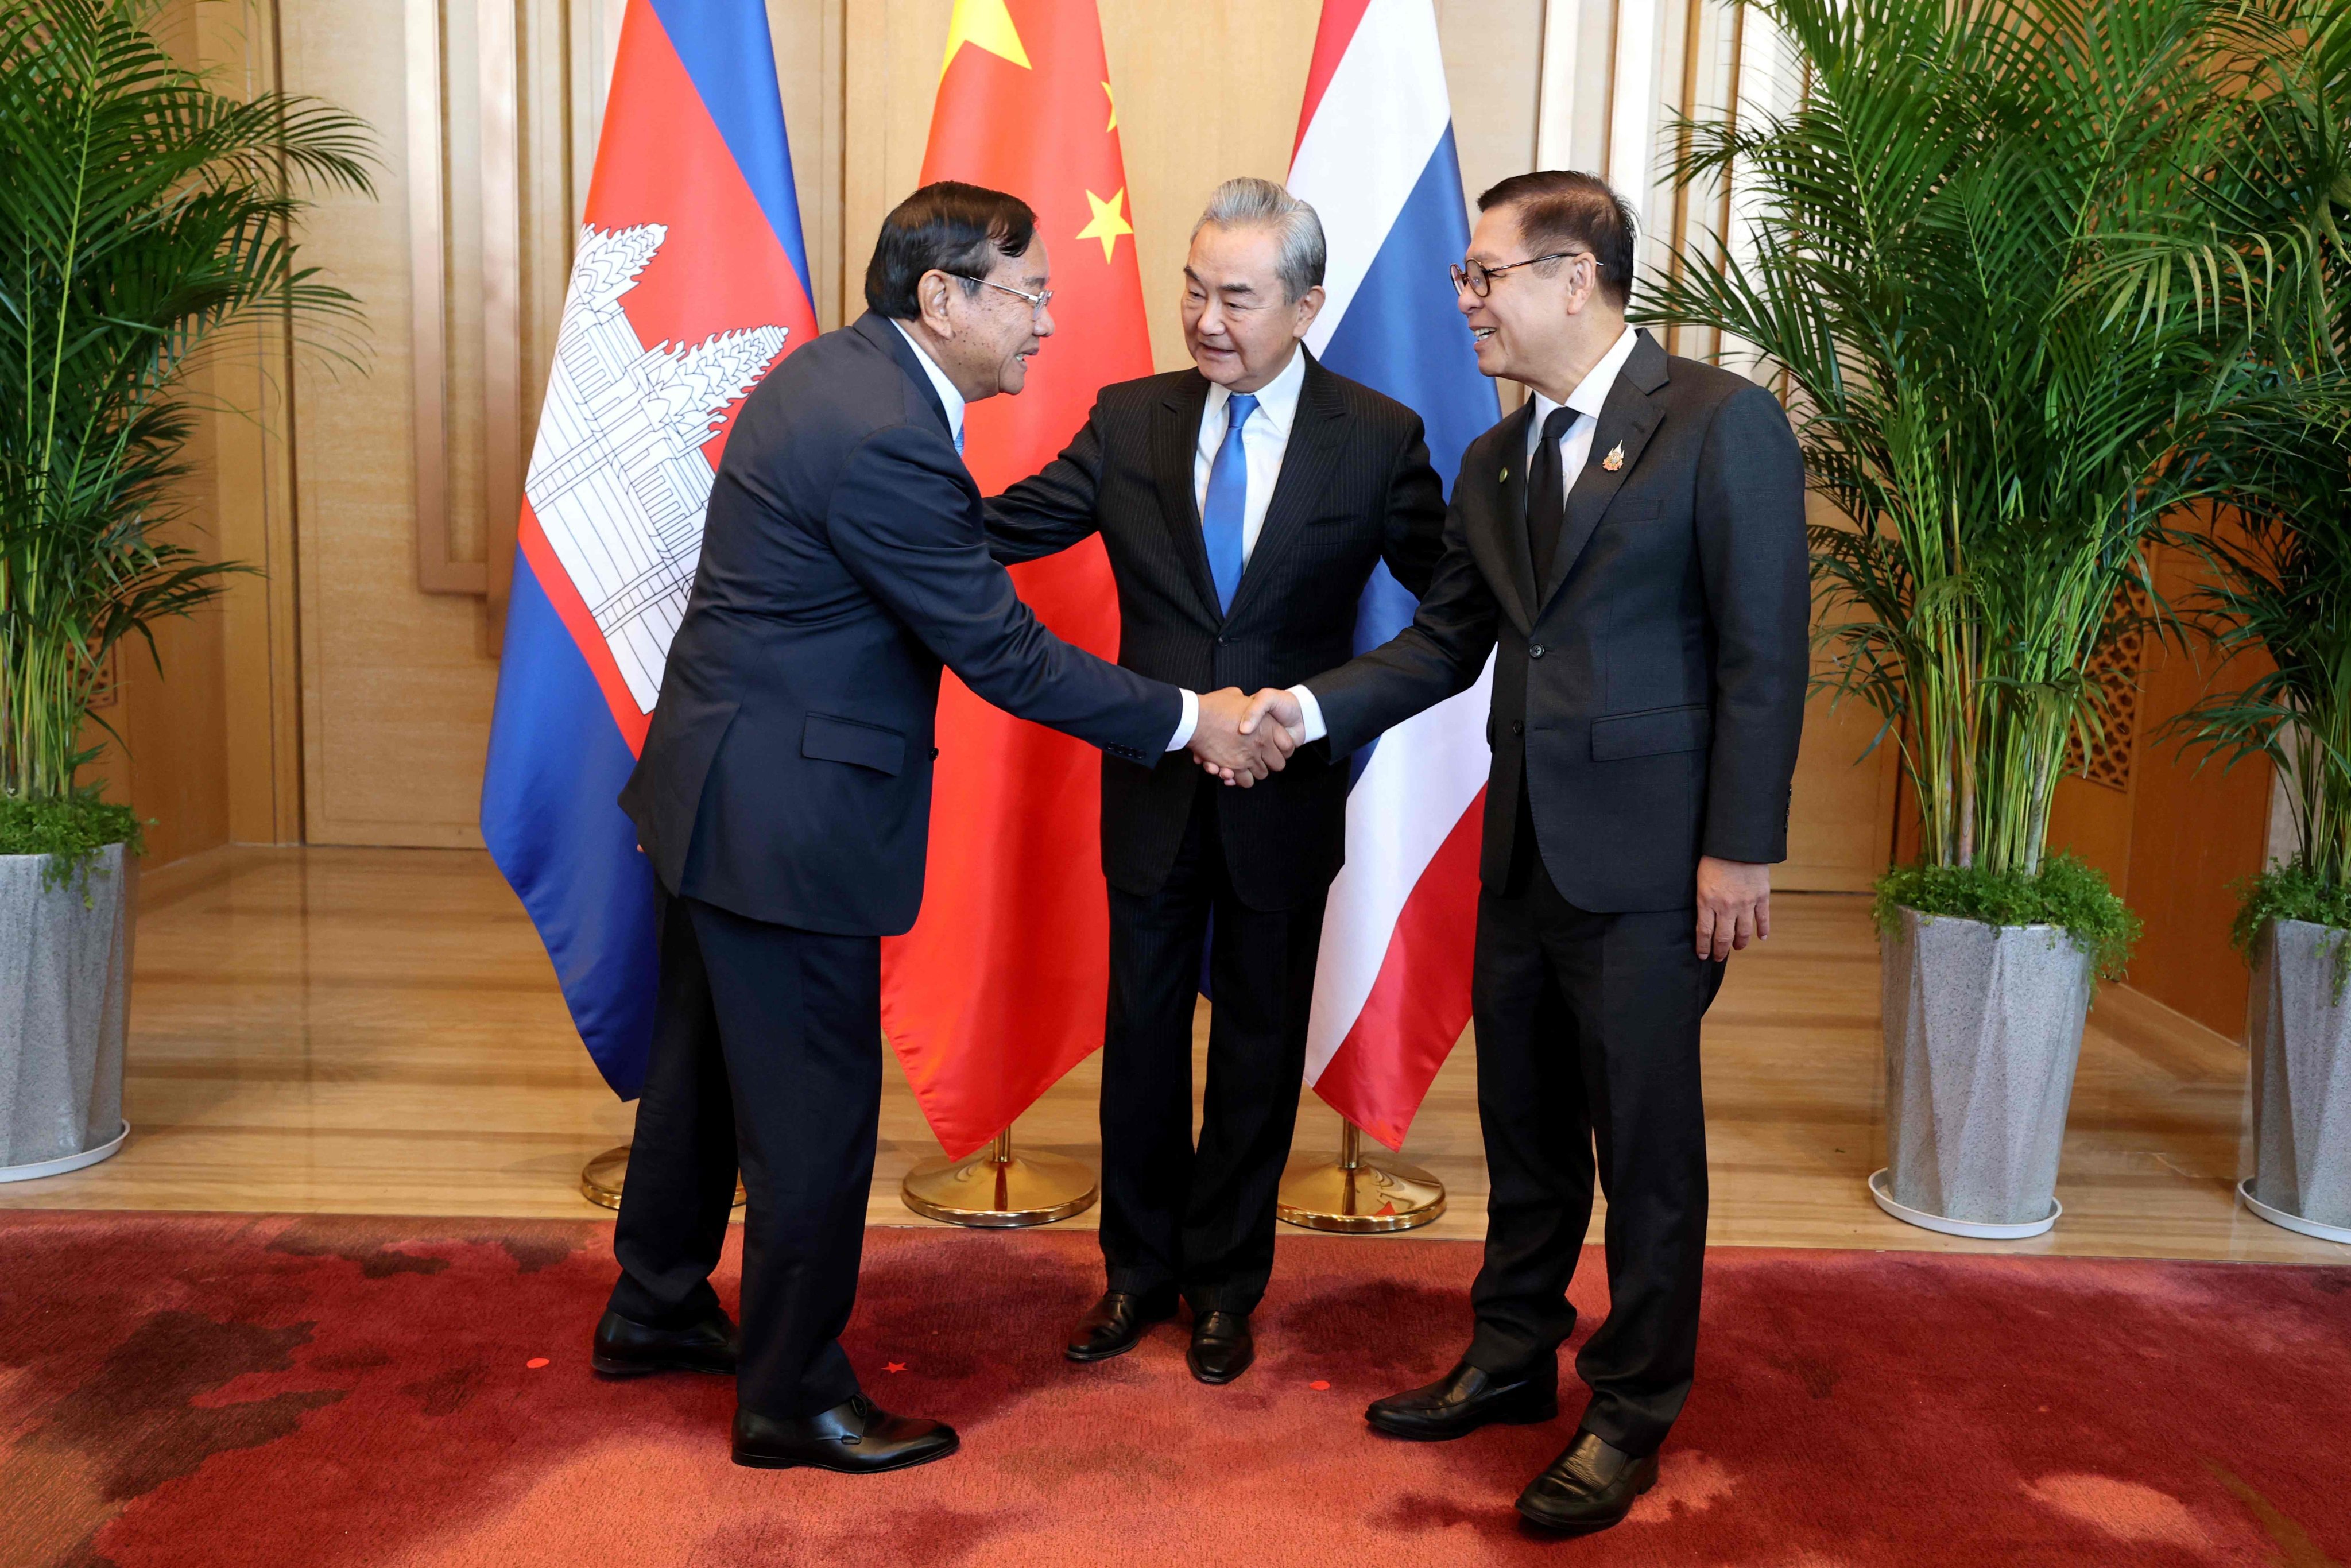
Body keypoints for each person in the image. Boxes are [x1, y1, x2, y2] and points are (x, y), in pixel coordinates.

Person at [593, 181, 1292, 1474]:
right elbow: (1007, 656)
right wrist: (1190, 718)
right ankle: (790, 1395)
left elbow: (943, 586)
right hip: (784, 819)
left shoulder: (842, 379)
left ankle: (654, 1304)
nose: (1043, 324)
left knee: (696, 1071)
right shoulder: (882, 431)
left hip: (716, 787)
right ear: (943, 297)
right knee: (811, 1112)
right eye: (1027, 295)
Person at [1237, 171, 1807, 1534]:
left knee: (1644, 1151)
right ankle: (1509, 1356)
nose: (1466, 300)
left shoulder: (1716, 425)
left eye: (1482, 275)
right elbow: (1444, 643)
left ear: (1573, 279)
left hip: (1660, 866)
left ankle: (1627, 1410)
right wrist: (1300, 711)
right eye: (1466, 276)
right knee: (1526, 1132)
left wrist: (1739, 850)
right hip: (1526, 853)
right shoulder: (1495, 460)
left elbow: (1762, 652)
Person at [985, 178, 1446, 1385]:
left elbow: (1456, 605)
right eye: (1191, 286)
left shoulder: (1376, 436)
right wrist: (864, 498)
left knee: (1253, 1042)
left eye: (1234, 296)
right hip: (1150, 787)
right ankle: (1133, 1273)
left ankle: (1225, 1285)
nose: (1202, 317)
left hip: (1285, 798)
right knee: (1138, 1039)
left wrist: (1319, 711)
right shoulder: (1128, 419)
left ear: (1305, 304)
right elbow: (1006, 526)